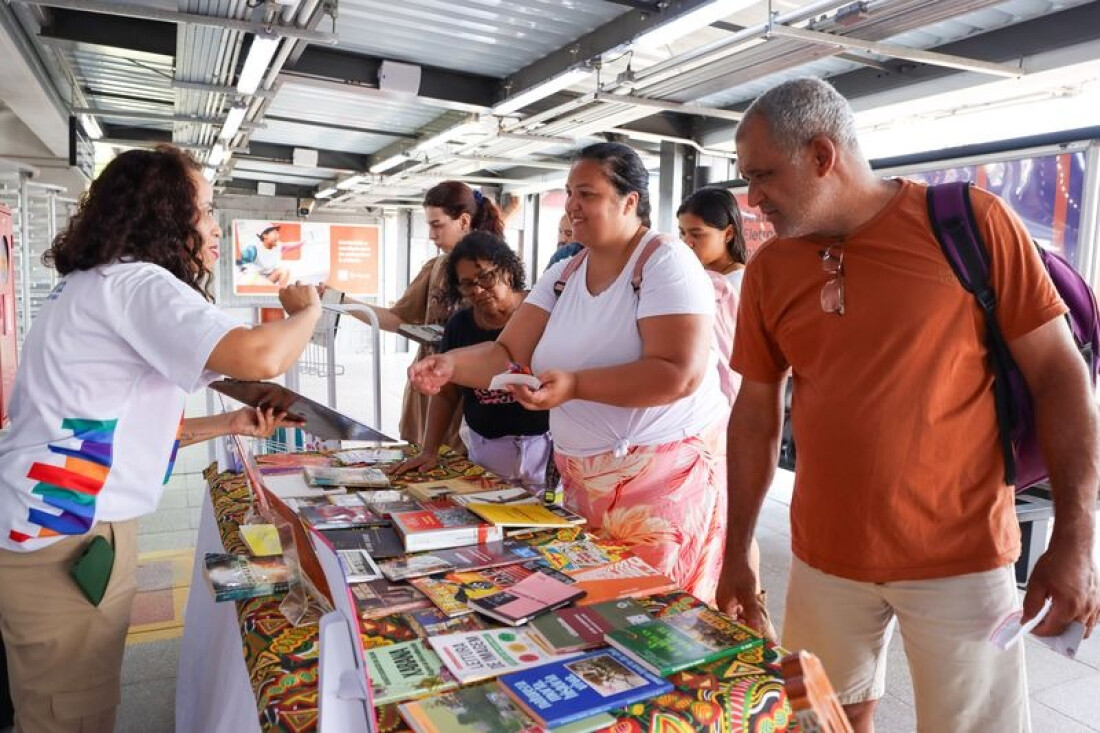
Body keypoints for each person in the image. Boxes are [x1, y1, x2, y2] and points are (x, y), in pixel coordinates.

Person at [718, 77, 1100, 732]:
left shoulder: (971, 222)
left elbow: (1062, 380)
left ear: (821, 155)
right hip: (821, 557)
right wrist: (737, 548)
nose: (751, 198)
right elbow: (755, 414)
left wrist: (1075, 535)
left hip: (963, 559)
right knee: (819, 720)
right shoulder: (770, 269)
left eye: (763, 176)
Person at [0, 145, 321, 733]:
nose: (214, 226)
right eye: (203, 209)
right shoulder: (136, 284)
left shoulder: (94, 283)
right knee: (69, 714)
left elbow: (109, 424)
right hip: (66, 534)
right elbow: (262, 356)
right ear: (165, 216)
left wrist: (228, 424)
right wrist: (307, 311)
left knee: (62, 702)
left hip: (57, 523)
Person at [407, 142, 729, 604]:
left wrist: (576, 387)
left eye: (587, 194)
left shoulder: (665, 260)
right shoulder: (566, 271)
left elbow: (678, 373)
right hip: (583, 481)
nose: (573, 205)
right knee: (599, 608)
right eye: (568, 193)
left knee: (655, 615)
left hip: (659, 487)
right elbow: (506, 354)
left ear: (629, 201)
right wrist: (450, 364)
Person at [343, 181, 505, 453]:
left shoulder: (496, 269)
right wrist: (340, 301)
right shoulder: (436, 267)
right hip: (429, 386)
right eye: (429, 225)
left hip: (469, 390)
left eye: (437, 225)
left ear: (464, 221)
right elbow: (398, 319)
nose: (431, 234)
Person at [392, 232, 551, 485]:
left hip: (546, 449)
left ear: (508, 271)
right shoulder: (460, 326)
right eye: (467, 284)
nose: (477, 290)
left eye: (486, 277)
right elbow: (447, 394)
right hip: (486, 451)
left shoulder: (541, 311)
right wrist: (429, 449)